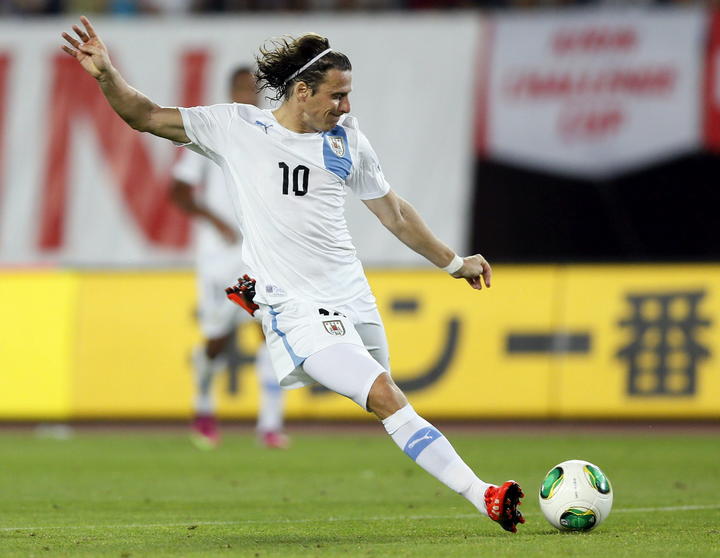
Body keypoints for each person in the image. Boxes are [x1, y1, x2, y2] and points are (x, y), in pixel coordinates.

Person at [61, 17, 525, 532]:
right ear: (302, 91)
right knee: (383, 394)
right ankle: (484, 494)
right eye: (337, 95)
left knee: (387, 394)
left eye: (348, 95)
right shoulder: (236, 127)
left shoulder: (347, 142)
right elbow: (144, 115)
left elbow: (394, 213)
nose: (346, 106)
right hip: (298, 307)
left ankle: (258, 310)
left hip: (353, 296)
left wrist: (454, 263)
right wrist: (107, 75)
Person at [169, 67, 288, 450]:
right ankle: (203, 406)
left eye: (253, 89)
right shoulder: (211, 130)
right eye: (241, 88)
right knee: (216, 340)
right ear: (230, 91)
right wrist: (218, 222)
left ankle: (270, 425)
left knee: (269, 329)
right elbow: (179, 191)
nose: (248, 94)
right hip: (219, 257)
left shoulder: (270, 134)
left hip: (256, 255)